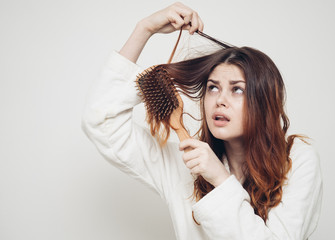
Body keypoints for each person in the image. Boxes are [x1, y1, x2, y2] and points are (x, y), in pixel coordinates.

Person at [81, 2, 322, 239]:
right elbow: (101, 120)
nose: (220, 100)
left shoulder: (296, 160)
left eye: (237, 90)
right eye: (213, 88)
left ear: (264, 101)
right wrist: (145, 28)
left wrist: (219, 177)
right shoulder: (183, 165)